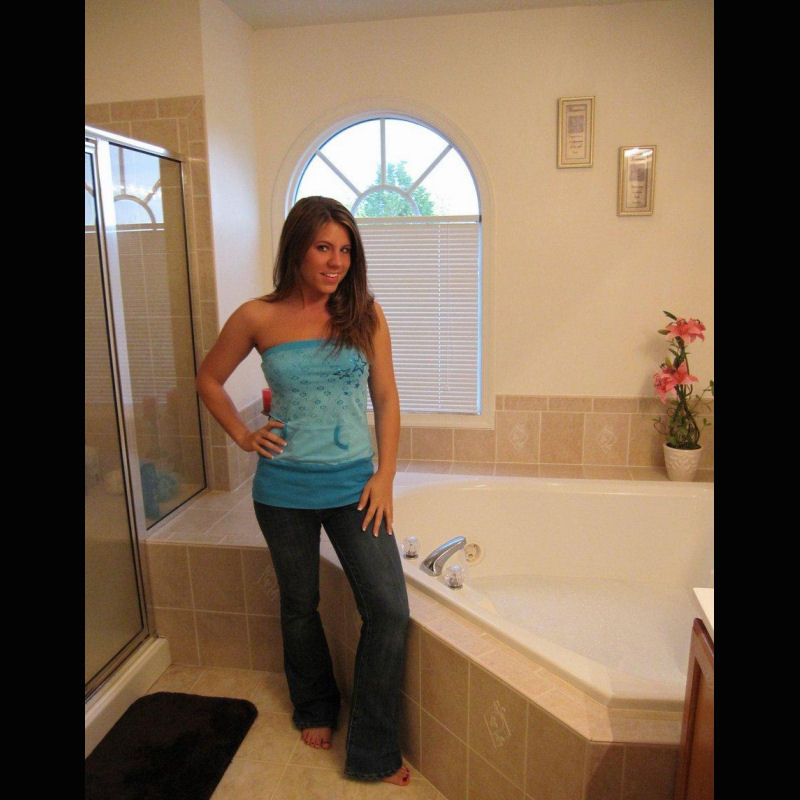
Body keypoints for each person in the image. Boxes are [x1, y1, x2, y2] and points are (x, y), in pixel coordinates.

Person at [196, 196, 410, 786]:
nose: (336, 261)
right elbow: (208, 379)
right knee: (299, 604)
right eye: (323, 247)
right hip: (283, 489)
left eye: (345, 250)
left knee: (389, 611)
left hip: (355, 487)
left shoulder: (364, 313)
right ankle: (315, 705)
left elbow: (386, 396)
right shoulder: (257, 316)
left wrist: (386, 474)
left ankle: (372, 749)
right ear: (297, 248)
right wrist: (244, 435)